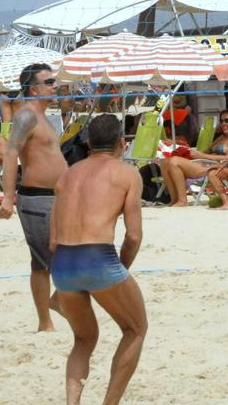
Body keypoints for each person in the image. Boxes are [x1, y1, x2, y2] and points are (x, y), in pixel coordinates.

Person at [50, 114, 147, 405]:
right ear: (122, 142)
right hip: (98, 259)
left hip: (63, 265)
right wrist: (120, 270)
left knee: (83, 340)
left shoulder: (67, 174)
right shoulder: (127, 173)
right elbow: (133, 236)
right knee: (135, 330)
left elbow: (52, 240)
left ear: (88, 142)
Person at [0, 63, 68, 332]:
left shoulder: (45, 116)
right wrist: (7, 197)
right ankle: (44, 322)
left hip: (56, 197)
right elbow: (11, 153)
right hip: (36, 198)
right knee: (42, 263)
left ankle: (57, 301)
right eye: (49, 81)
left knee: (72, 252)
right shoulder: (27, 115)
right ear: (34, 88)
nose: (55, 85)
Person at [160, 109, 228, 207]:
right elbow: (205, 152)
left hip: (216, 168)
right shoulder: (221, 138)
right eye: (222, 121)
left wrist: (202, 156)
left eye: (227, 121)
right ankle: (174, 199)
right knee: (165, 162)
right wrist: (182, 146)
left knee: (174, 162)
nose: (224, 123)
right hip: (204, 164)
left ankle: (182, 200)